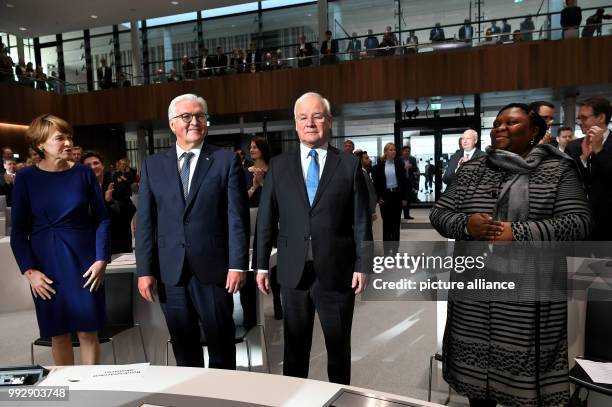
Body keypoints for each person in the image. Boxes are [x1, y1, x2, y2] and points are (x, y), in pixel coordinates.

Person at [430, 103, 592, 407]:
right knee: (477, 388)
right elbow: (440, 213)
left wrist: (517, 232)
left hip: (529, 297)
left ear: (533, 131)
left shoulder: (557, 168)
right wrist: (467, 225)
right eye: (497, 123)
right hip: (475, 296)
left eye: (511, 123)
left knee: (525, 390)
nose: (500, 128)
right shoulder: (474, 169)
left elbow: (579, 223)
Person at [256, 92, 371, 385]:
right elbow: (266, 220)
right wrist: (260, 265)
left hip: (337, 272)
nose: (310, 123)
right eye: (303, 117)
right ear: (295, 124)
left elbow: (360, 220)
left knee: (338, 350)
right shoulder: (279, 167)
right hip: (293, 273)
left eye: (317, 116)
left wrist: (363, 265)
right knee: (294, 352)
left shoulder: (348, 165)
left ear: (328, 122)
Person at [135, 93, 250, 369]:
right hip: (170, 273)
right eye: (186, 116)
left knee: (221, 345)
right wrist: (144, 270)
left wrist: (237, 264)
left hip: (214, 271)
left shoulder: (225, 161)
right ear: (172, 123)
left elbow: (237, 218)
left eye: (200, 116)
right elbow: (145, 223)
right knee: (184, 350)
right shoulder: (153, 165)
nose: (194, 122)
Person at [10, 114, 110, 365]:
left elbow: (102, 219)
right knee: (59, 334)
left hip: (85, 263)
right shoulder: (25, 178)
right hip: (45, 265)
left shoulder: (85, 173)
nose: (68, 143)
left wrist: (101, 259)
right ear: (41, 144)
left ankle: (92, 394)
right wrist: (29, 271)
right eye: (60, 138)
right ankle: (68, 396)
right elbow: (19, 232)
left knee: (88, 332)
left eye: (69, 137)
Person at [242, 136, 282, 321]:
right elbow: (240, 200)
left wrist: (263, 182)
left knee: (275, 263)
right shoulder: (242, 172)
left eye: (255, 147)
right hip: (248, 219)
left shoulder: (274, 170)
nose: (251, 150)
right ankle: (252, 308)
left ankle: (277, 303)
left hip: (270, 219)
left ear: (263, 149)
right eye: (250, 147)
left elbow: (278, 198)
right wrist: (254, 185)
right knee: (254, 263)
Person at [82, 151, 136, 254]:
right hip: (92, 243)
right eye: (88, 165)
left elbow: (130, 210)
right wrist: (104, 202)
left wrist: (111, 201)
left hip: (117, 241)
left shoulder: (116, 184)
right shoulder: (80, 189)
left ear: (102, 166)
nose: (93, 167)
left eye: (96, 163)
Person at [574, 97, 612, 241]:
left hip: (608, 225)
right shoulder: (573, 146)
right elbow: (570, 180)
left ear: (601, 117)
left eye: (584, 118)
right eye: (579, 118)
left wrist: (599, 151)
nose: (579, 122)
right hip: (579, 224)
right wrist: (583, 158)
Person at [372, 143, 407, 253]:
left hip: (396, 196)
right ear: (386, 152)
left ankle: (395, 249)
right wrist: (378, 197)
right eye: (391, 150)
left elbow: (404, 182)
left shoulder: (399, 164)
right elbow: (376, 184)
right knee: (387, 224)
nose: (393, 152)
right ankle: (387, 250)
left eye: (394, 150)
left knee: (396, 224)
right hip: (385, 197)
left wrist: (404, 198)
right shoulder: (379, 166)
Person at [400, 145, 418, 220]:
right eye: (405, 151)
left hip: (409, 181)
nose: (407, 152)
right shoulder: (399, 159)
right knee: (401, 199)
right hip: (401, 182)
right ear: (402, 152)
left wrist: (411, 167)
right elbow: (397, 170)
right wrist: (403, 168)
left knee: (408, 199)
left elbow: (415, 169)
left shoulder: (412, 159)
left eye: (408, 151)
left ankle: (407, 215)